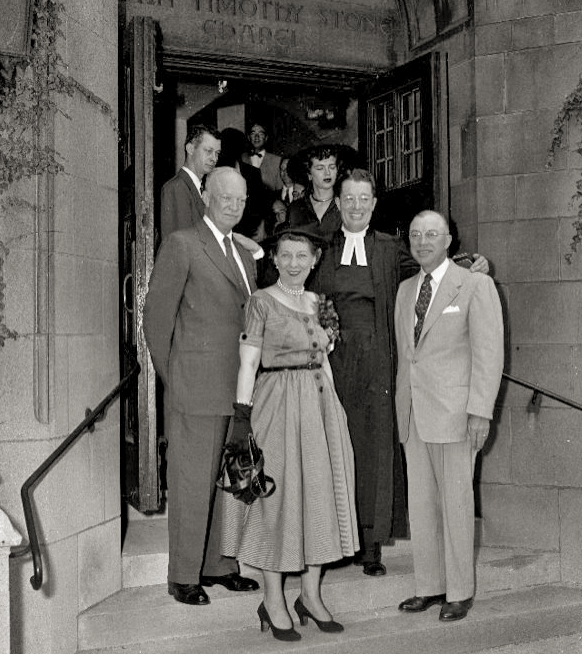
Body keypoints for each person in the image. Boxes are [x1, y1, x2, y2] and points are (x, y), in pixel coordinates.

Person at [310, 169, 490, 577]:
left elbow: (433, 266)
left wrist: (471, 264)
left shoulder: (391, 248)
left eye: (364, 199)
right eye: (348, 199)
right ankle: (338, 541)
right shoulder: (320, 247)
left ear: (374, 205)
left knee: (374, 451)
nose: (356, 206)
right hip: (333, 364)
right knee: (336, 447)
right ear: (337, 204)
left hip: (379, 363)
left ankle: (371, 546)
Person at [221, 224, 358, 642]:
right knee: (275, 503)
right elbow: (248, 363)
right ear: (275, 259)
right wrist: (242, 417)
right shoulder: (261, 302)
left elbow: (325, 361)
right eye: (287, 256)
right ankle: (274, 600)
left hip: (319, 407)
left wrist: (335, 410)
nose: (295, 263)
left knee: (320, 497)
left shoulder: (322, 303)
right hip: (277, 403)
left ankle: (311, 597)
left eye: (303, 256)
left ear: (315, 260)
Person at [143, 167, 260, 605]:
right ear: (206, 197)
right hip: (196, 388)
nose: (233, 205)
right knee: (192, 483)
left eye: (240, 199)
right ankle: (184, 574)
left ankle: (220, 566)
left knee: (226, 483)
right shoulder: (182, 244)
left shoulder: (245, 255)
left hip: (237, 390)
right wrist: (177, 380)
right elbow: (156, 322)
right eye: (224, 197)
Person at [394, 210, 504, 623]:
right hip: (414, 414)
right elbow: (409, 357)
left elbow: (489, 353)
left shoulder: (475, 284)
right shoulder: (406, 289)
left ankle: (459, 591)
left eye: (432, 235)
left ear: (449, 240)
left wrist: (480, 412)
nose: (423, 241)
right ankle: (429, 586)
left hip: (456, 414)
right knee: (421, 505)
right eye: (416, 234)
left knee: (456, 503)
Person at [159, 124, 220, 241]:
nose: (214, 158)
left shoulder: (201, 189)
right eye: (208, 151)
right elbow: (182, 246)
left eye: (217, 153)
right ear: (190, 149)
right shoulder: (178, 187)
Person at [287, 145, 343, 240]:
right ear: (309, 174)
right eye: (320, 168)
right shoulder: (296, 208)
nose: (327, 173)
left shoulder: (346, 205)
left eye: (332, 167)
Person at [241, 122, 283, 192]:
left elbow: (279, 190)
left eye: (261, 134)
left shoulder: (277, 161)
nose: (256, 137)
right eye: (253, 133)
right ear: (249, 137)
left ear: (266, 138)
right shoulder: (241, 158)